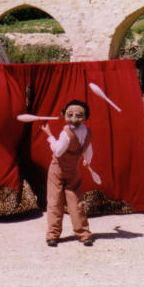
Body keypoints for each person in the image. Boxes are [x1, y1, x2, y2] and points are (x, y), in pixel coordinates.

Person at [40, 99, 94, 247]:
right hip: (66, 170)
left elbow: (58, 150)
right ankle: (83, 234)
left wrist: (49, 135)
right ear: (63, 115)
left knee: (58, 202)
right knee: (70, 202)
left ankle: (53, 235)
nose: (74, 119)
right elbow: (88, 151)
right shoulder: (85, 132)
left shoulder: (67, 134)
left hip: (64, 170)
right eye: (70, 115)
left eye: (79, 116)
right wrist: (87, 160)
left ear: (85, 117)